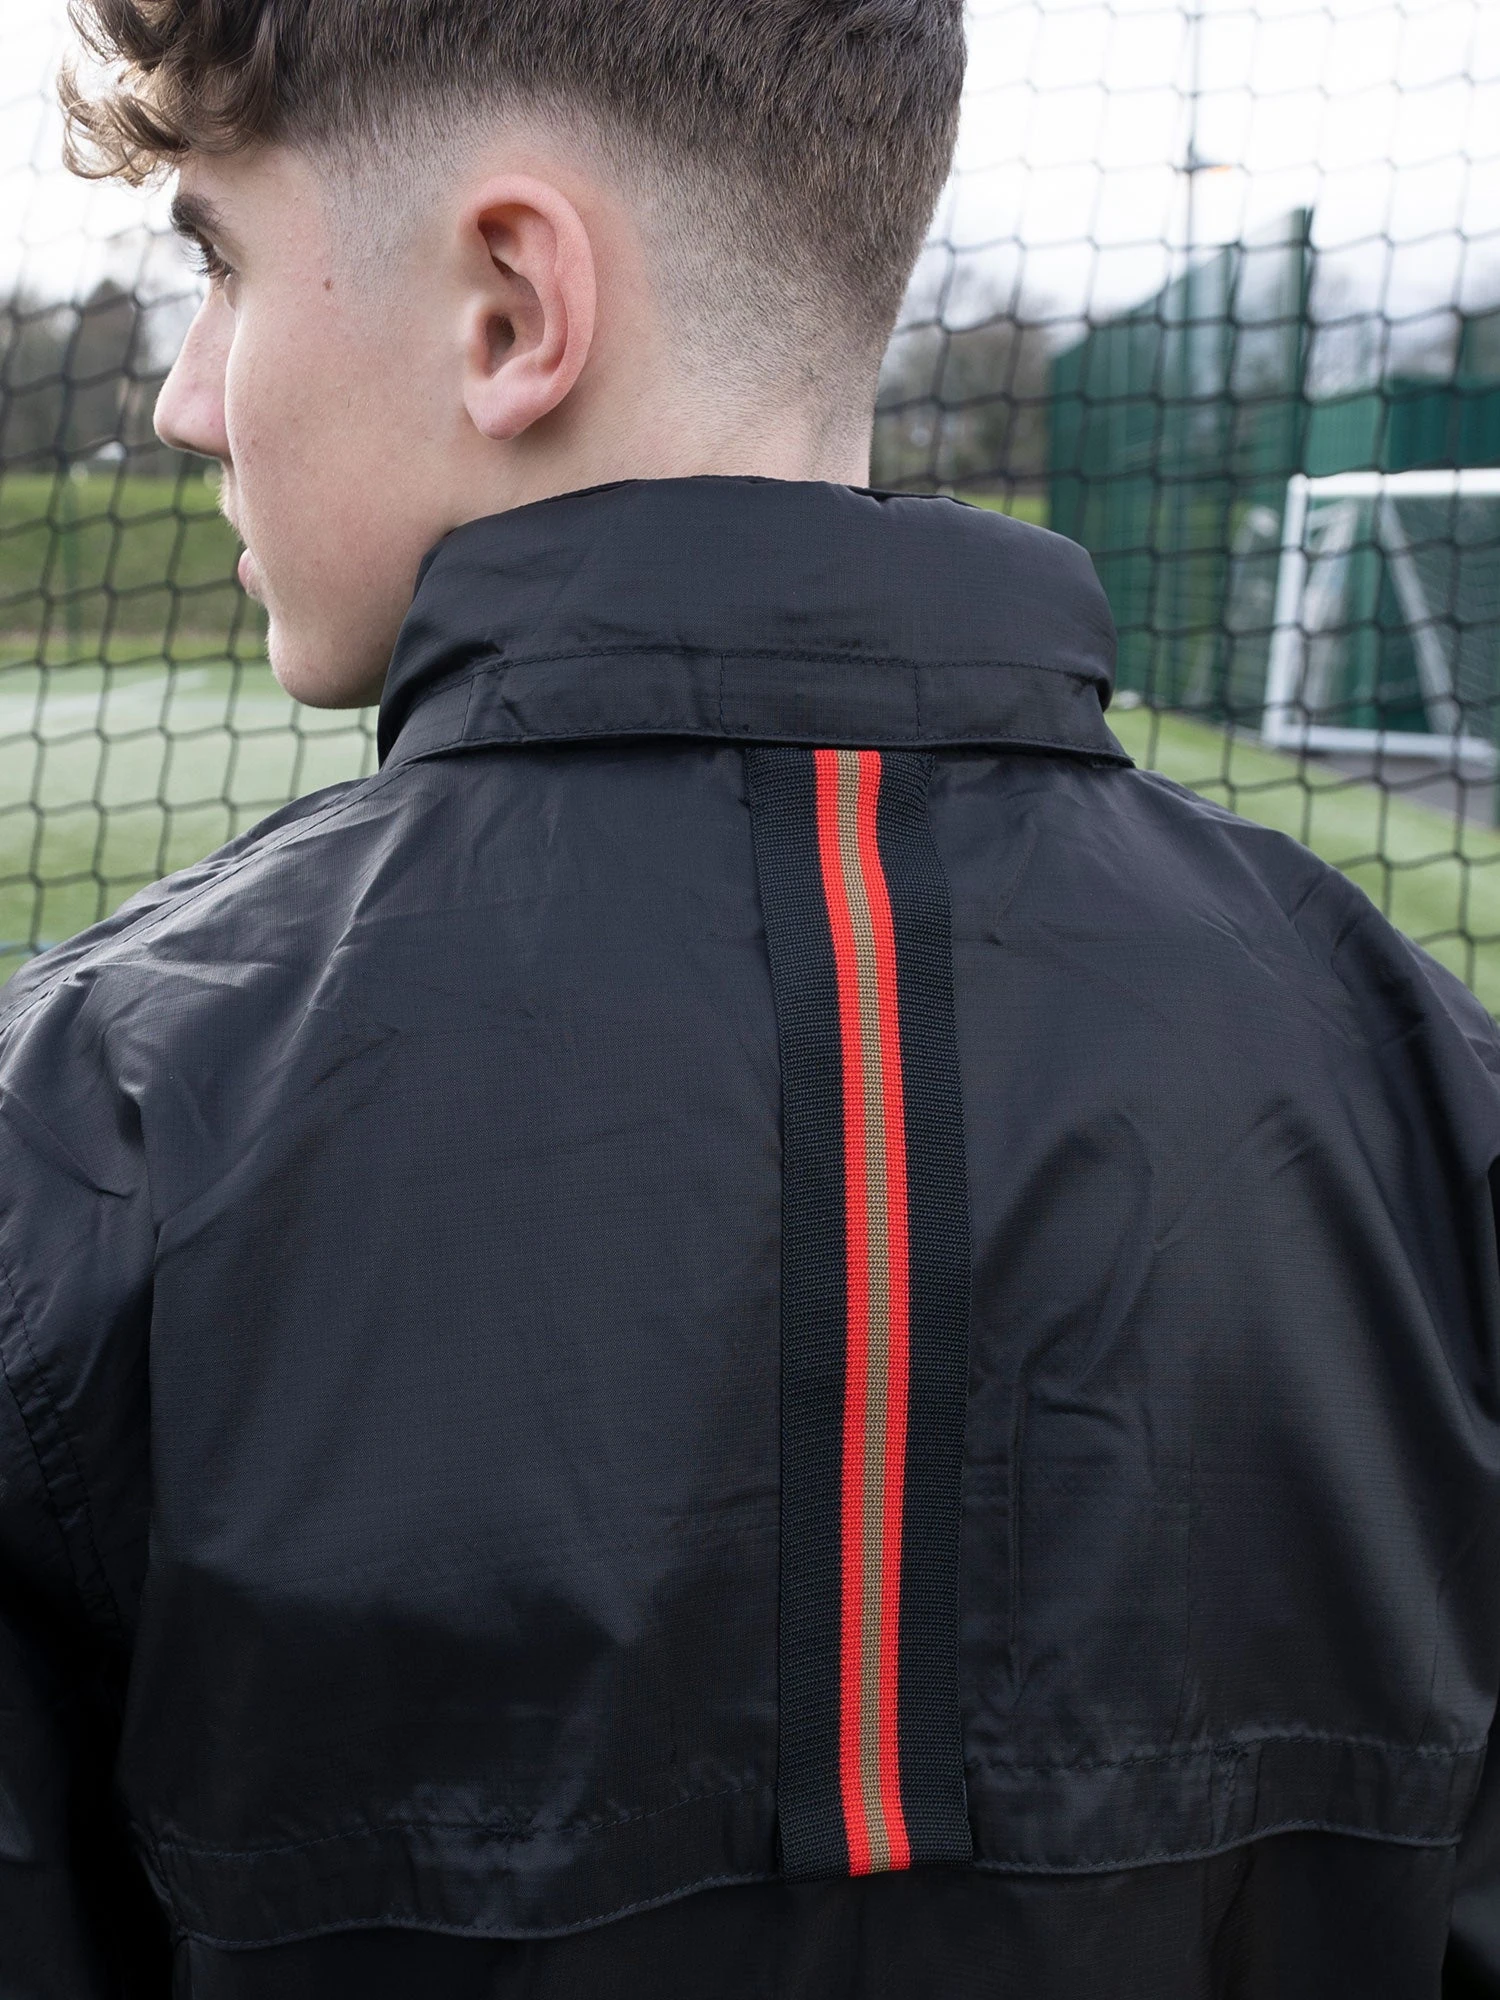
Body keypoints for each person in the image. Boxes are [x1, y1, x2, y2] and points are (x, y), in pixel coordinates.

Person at [3, 0, 1499, 1992]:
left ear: (511, 306)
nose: (187, 399)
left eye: (222, 267)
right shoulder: (1422, 1080)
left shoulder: (88, 1120)